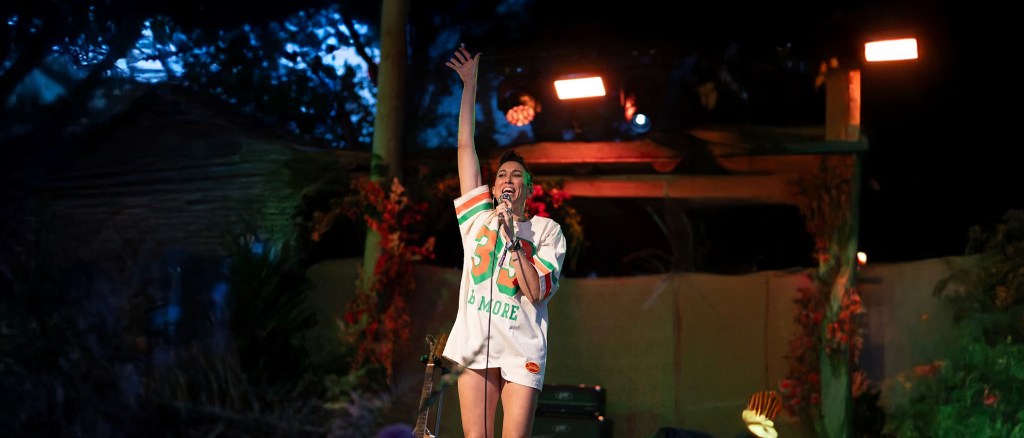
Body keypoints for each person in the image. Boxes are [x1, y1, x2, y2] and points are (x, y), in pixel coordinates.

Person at [441, 44, 567, 438]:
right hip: (475, 344)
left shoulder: (546, 231)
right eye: (501, 176)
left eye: (516, 176)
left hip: (522, 346)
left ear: (528, 189)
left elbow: (536, 291)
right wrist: (469, 85)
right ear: (493, 188)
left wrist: (513, 240)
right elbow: (465, 148)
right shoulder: (478, 219)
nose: (507, 180)